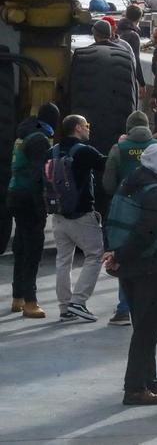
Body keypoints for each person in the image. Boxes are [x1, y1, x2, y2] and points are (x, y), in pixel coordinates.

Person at [102, 143, 157, 406]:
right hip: (150, 267)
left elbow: (118, 219)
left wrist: (116, 254)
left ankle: (149, 380)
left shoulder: (131, 181)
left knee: (143, 326)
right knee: (147, 329)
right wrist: (120, 255)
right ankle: (135, 388)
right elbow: (146, 233)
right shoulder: (155, 192)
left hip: (132, 267)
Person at [101, 111, 157, 326]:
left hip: (125, 210)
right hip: (155, 209)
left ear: (128, 128)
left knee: (123, 256)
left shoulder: (119, 149)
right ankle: (156, 309)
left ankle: (124, 309)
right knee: (155, 255)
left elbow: (108, 184)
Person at [49, 115, 107, 324]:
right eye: (87, 126)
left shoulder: (52, 151)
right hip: (81, 215)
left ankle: (65, 307)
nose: (88, 129)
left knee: (63, 261)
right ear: (78, 128)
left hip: (58, 215)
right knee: (96, 254)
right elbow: (107, 165)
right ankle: (79, 301)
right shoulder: (84, 151)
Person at [8, 103, 59, 319]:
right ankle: (31, 301)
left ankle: (17, 297)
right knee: (32, 251)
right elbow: (41, 176)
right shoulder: (40, 139)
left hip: (15, 194)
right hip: (30, 199)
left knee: (20, 246)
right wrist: (47, 204)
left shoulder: (24, 134)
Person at [116, 4, 146, 98]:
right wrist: (142, 83)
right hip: (126, 76)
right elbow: (135, 60)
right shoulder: (133, 35)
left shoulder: (116, 31)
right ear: (139, 19)